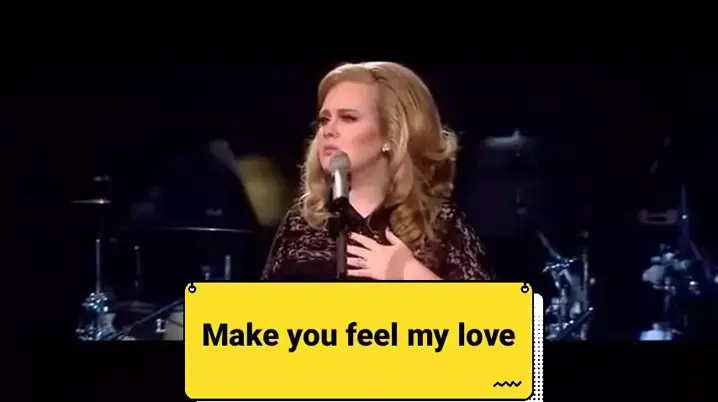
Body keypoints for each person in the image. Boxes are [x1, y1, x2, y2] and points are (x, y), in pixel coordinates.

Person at [261, 61, 493, 281]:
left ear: (390, 135)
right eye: (324, 120)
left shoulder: (438, 224)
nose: (328, 131)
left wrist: (410, 273)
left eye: (348, 118)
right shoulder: (301, 223)